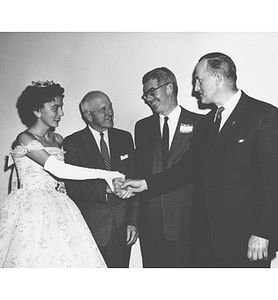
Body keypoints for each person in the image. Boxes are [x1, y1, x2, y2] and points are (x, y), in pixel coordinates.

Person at [121, 52, 278, 268]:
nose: (195, 88)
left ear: (218, 78)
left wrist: (262, 233)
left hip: (245, 241)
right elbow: (187, 168)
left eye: (199, 80)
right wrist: (146, 184)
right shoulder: (206, 124)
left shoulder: (263, 116)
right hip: (206, 241)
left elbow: (273, 182)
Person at [0, 80, 124, 268]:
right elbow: (58, 169)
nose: (61, 113)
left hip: (60, 206)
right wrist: (107, 175)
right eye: (55, 108)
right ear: (37, 111)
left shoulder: (58, 139)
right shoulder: (25, 139)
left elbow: (64, 177)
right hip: (31, 211)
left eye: (61, 107)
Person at [134, 67, 202, 267]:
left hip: (186, 222)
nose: (147, 98)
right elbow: (140, 171)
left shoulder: (201, 124)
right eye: (145, 94)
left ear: (169, 88)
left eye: (151, 91)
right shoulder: (142, 127)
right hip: (150, 225)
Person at [63, 91, 139, 268]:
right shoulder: (73, 143)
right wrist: (106, 188)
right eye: (103, 109)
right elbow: (73, 188)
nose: (110, 112)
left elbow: (135, 179)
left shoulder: (125, 137)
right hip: (91, 230)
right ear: (88, 115)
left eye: (110, 106)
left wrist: (133, 222)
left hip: (122, 230)